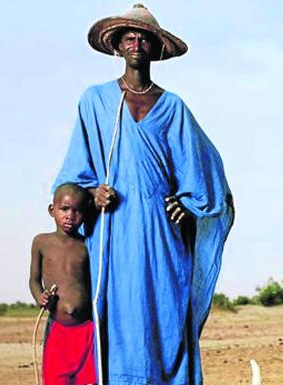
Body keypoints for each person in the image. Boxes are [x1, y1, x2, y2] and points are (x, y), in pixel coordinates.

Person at [53, 4, 234, 385]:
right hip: (114, 228)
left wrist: (188, 204)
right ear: (117, 47)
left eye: (144, 38)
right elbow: (73, 176)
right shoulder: (95, 101)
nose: (136, 43)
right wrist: (91, 194)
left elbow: (204, 168)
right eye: (129, 38)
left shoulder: (173, 108)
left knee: (166, 312)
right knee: (118, 311)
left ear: (155, 48)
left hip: (162, 231)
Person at [29, 183, 97, 385]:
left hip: (87, 328)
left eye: (77, 210)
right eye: (64, 209)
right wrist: (39, 296)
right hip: (57, 328)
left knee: (89, 380)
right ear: (52, 210)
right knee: (56, 379)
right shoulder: (41, 242)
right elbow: (33, 279)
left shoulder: (88, 245)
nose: (70, 215)